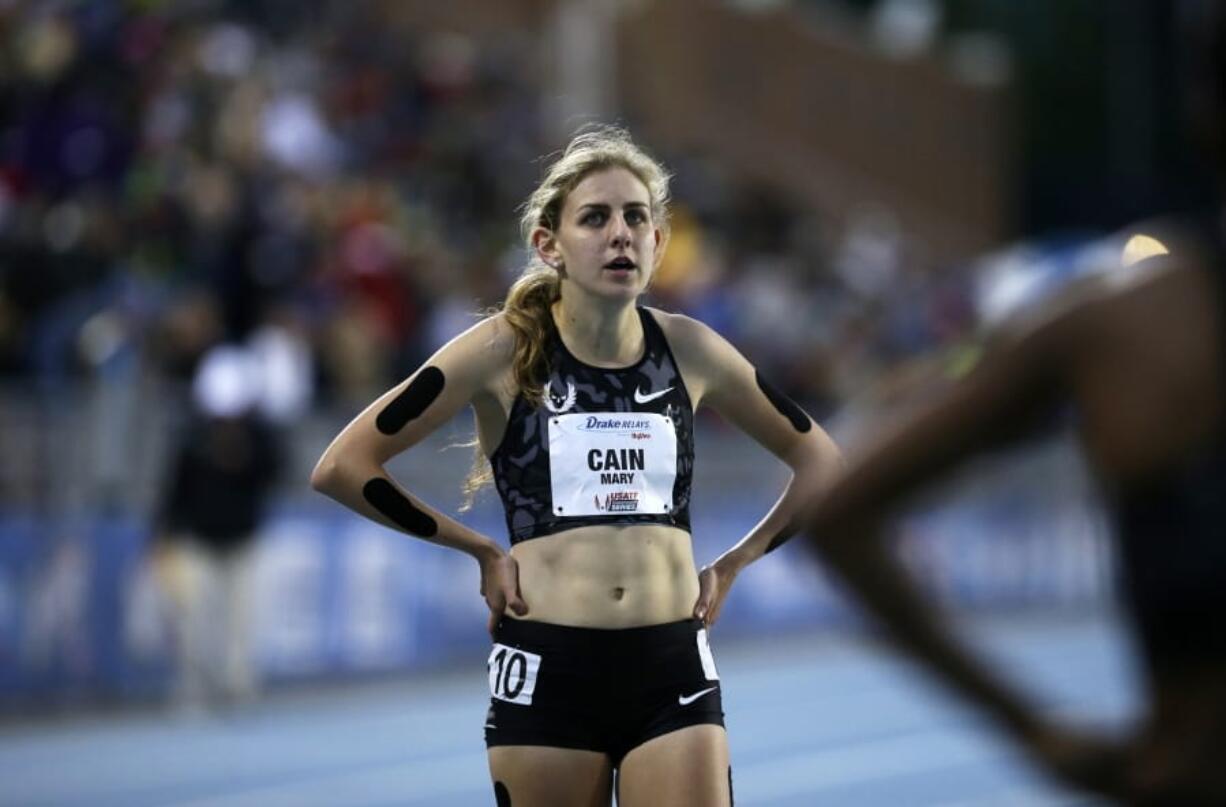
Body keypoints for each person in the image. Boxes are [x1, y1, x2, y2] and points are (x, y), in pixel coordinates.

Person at [311, 126, 841, 806]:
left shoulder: (692, 349)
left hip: (671, 664)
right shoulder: (500, 350)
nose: (620, 232)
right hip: (547, 670)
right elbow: (343, 464)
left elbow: (823, 462)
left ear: (657, 242)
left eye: (636, 217)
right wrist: (476, 547)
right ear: (548, 244)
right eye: (595, 217)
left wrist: (735, 560)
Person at [796, 4, 1226, 803]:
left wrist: (1032, 726)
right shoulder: (1116, 319)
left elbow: (835, 510)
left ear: (1201, 111)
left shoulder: (1125, 324)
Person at [154, 344, 283, 711]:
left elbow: (275, 473)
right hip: (198, 540)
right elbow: (174, 490)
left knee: (241, 622)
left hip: (243, 540)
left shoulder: (258, 438)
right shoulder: (192, 439)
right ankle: (194, 688)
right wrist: (162, 535)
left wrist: (245, 455)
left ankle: (238, 687)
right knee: (194, 622)